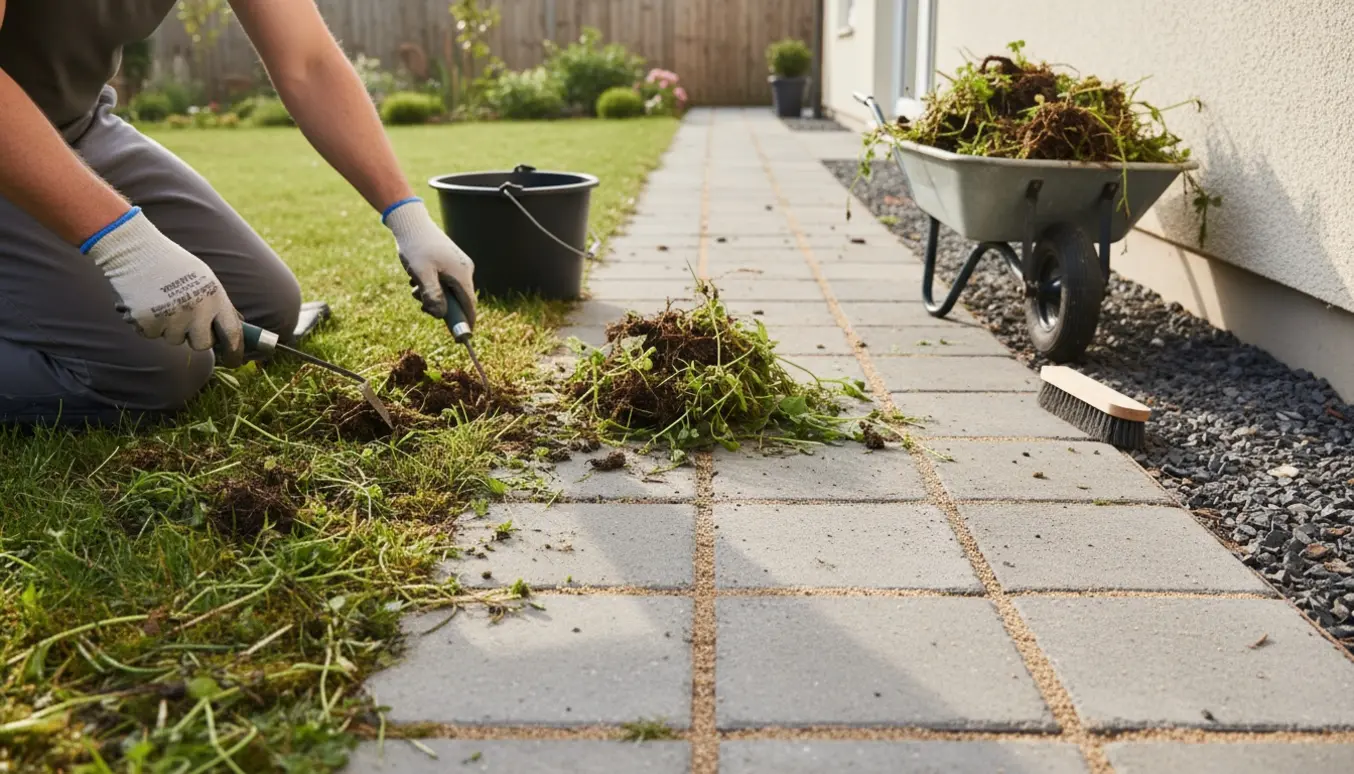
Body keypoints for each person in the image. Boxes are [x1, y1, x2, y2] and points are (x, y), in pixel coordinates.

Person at [0, 0, 477, 425]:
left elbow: (308, 61)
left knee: (266, 307)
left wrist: (407, 217)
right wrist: (125, 245)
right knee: (156, 372)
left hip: (78, 125)